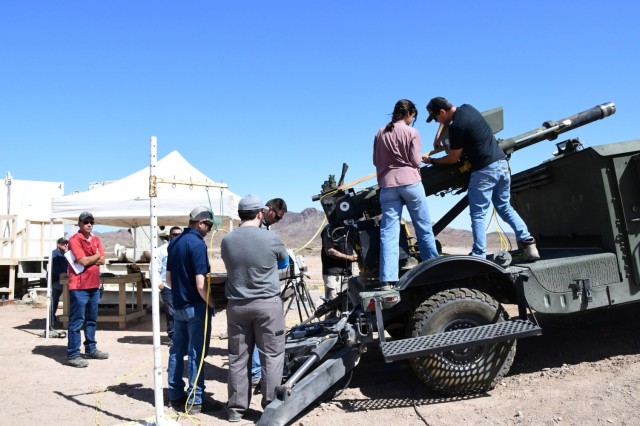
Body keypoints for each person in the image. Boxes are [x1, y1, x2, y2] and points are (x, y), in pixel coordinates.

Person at [424, 96, 540, 261]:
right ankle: (528, 243)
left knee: (478, 213)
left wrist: (433, 160)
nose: (437, 122)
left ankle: (479, 254)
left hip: (484, 170)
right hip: (501, 164)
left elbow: (453, 158)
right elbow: (446, 121)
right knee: (504, 207)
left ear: (442, 112)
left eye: (436, 118)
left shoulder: (457, 127)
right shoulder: (468, 108)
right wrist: (438, 137)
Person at [221, 194, 289, 422]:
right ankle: (269, 409)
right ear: (260, 214)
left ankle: (235, 410)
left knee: (238, 357)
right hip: (267, 305)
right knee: (271, 355)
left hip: (237, 306)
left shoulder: (227, 240)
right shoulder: (272, 239)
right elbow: (284, 263)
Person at [373, 99, 439, 288]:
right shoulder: (411, 132)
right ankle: (433, 269)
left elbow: (375, 160)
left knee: (389, 233)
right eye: (413, 117)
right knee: (423, 227)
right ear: (408, 114)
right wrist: (423, 158)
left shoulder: (380, 132)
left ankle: (387, 279)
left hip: (388, 185)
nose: (412, 121)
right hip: (410, 183)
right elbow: (415, 161)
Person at [166, 206, 220, 414]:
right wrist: (212, 303)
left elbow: (168, 279)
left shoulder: (175, 242)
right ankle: (195, 399)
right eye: (209, 225)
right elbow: (200, 283)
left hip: (178, 304)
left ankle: (175, 394)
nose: (209, 230)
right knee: (196, 353)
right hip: (196, 307)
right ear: (200, 223)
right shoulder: (197, 245)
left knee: (177, 351)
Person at [251, 196, 288, 387]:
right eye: (278, 217)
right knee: (261, 336)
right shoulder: (255, 226)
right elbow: (282, 261)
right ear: (270, 209)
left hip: (261, 287)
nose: (278, 221)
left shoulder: (266, 228)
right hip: (258, 290)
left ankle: (259, 373)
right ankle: (256, 374)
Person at [66, 212, 108, 368]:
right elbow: (82, 261)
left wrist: (93, 258)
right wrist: (95, 256)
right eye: (86, 222)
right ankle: (73, 354)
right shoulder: (74, 240)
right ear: (79, 224)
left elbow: (103, 260)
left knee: (91, 319)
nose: (89, 224)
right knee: (77, 321)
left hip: (94, 286)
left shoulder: (96, 239)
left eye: (91, 222)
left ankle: (91, 349)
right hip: (79, 287)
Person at [157, 226, 182, 346]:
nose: (177, 237)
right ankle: (173, 336)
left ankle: (182, 336)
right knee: (171, 312)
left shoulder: (184, 248)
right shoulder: (162, 250)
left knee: (182, 311)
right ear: (170, 236)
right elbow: (154, 267)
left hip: (182, 286)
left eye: (179, 235)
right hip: (167, 286)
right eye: (175, 234)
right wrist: (159, 284)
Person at [321, 224, 357, 301]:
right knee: (332, 303)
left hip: (347, 273)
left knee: (347, 302)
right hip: (333, 274)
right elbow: (329, 251)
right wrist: (349, 257)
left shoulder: (349, 228)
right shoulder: (329, 229)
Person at [49, 237, 69, 329]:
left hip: (63, 280)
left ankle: (54, 319)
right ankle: (51, 320)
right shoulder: (54, 254)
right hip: (56, 280)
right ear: (58, 244)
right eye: (62, 243)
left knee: (57, 300)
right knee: (55, 300)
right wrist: (61, 274)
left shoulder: (64, 254)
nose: (65, 245)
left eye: (66, 243)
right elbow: (53, 268)